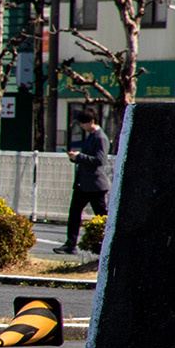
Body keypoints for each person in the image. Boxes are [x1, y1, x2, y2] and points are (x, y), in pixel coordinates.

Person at [58, 106, 112, 253]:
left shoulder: (100, 138)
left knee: (102, 216)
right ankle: (70, 244)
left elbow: (99, 160)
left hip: (95, 185)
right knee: (74, 213)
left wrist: (79, 157)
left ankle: (109, 243)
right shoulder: (92, 136)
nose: (81, 126)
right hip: (84, 184)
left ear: (91, 121)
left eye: (83, 123)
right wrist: (75, 158)